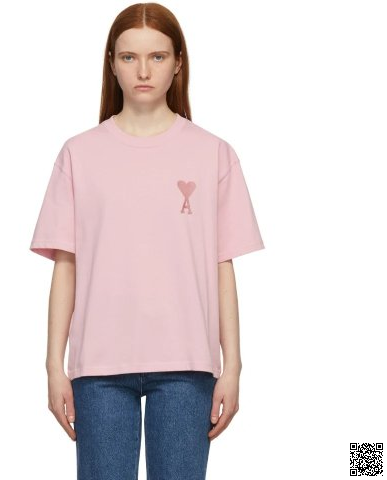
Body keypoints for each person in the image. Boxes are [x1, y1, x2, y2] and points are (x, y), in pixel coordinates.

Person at [29, 3, 265, 479]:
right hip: (98, 366)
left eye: (157, 57)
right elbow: (66, 265)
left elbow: (222, 266)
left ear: (178, 63)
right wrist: (54, 365)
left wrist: (233, 366)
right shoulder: (78, 154)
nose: (143, 71)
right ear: (111, 63)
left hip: (187, 364)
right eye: (129, 57)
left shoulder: (213, 154)